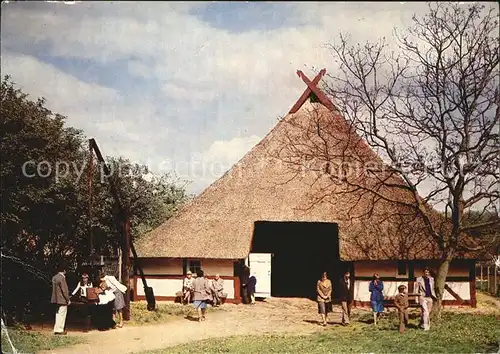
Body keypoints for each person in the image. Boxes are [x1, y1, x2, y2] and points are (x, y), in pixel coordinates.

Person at [51, 264, 70, 335]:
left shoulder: (54, 277)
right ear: (64, 271)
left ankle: (56, 329)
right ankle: (60, 330)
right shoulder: (62, 278)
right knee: (62, 315)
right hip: (62, 299)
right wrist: (68, 299)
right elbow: (64, 290)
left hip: (56, 299)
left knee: (58, 314)